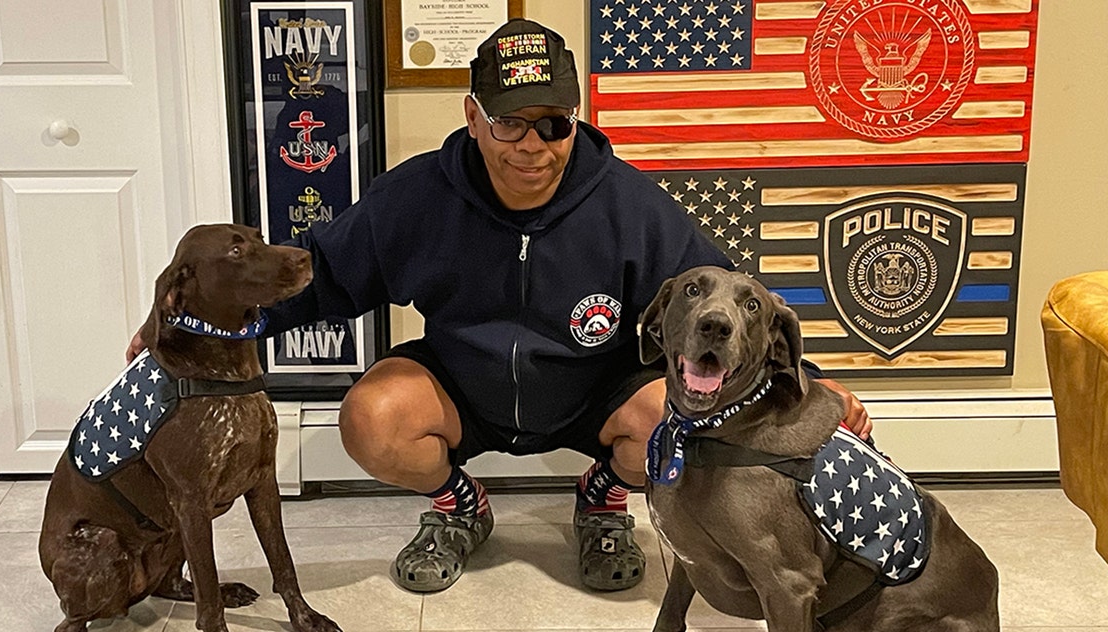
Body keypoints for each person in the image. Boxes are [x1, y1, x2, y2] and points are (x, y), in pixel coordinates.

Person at [128, 18, 870, 594]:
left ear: (574, 119)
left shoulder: (629, 205)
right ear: (474, 114)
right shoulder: (418, 194)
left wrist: (808, 388)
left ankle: (602, 498)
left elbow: (737, 307)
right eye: (509, 122)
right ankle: (461, 506)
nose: (532, 146)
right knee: (370, 419)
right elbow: (323, 276)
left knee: (677, 431)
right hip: (464, 385)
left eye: (553, 123)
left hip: (595, 389)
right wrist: (191, 330)